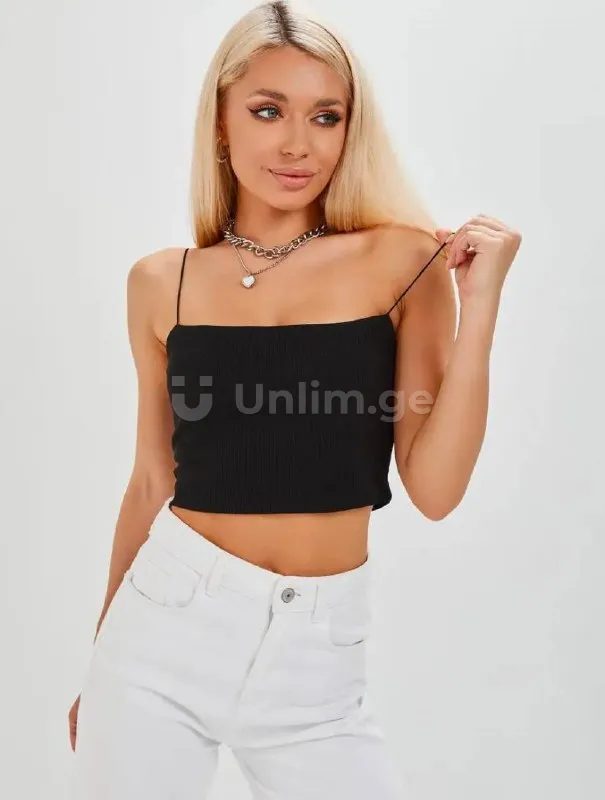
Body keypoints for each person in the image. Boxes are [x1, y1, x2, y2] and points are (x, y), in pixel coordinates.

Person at [68, 1, 522, 797]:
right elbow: (149, 481)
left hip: (317, 666)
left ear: (350, 129)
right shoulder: (161, 282)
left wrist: (479, 306)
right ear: (220, 121)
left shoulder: (402, 263)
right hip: (159, 639)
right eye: (267, 110)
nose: (295, 144)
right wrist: (101, 655)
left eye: (325, 116)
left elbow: (436, 489)